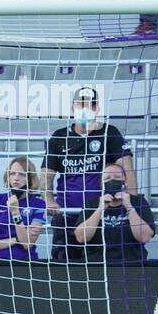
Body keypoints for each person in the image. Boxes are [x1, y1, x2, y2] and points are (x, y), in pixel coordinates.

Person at [40, 86, 136, 261]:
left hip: (101, 214)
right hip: (68, 214)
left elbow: (127, 168)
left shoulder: (110, 133)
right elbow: (47, 173)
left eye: (90, 106)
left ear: (97, 109)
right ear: (72, 108)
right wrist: (48, 199)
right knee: (64, 266)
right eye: (80, 105)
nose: (85, 109)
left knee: (98, 264)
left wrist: (134, 200)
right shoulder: (59, 137)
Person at [69, 162, 156, 262]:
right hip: (96, 264)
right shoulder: (92, 203)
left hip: (131, 264)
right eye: (107, 178)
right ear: (101, 184)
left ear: (125, 181)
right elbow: (81, 237)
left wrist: (129, 207)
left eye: (117, 177)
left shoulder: (138, 202)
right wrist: (100, 210)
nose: (112, 181)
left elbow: (145, 237)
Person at [0, 156, 47, 260]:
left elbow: (26, 243)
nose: (16, 178)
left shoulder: (38, 204)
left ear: (30, 178)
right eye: (12, 173)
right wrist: (14, 240)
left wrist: (15, 211)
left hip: (27, 263)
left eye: (21, 174)